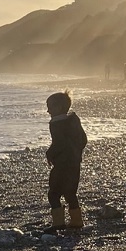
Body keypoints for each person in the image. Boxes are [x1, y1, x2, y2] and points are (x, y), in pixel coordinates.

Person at [44, 90, 88, 232]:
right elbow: (83, 140)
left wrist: (50, 153)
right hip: (74, 163)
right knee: (70, 193)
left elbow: (59, 143)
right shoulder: (74, 121)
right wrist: (76, 153)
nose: (48, 111)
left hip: (62, 165)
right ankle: (76, 220)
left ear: (59, 108)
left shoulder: (56, 124)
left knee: (53, 193)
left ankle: (58, 222)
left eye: (50, 107)